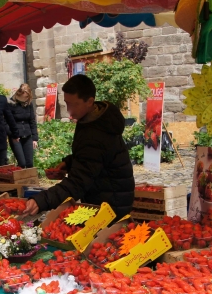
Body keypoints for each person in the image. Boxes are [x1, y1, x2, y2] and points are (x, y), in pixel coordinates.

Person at [23, 75, 134, 218]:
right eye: (66, 103)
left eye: (73, 104)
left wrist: (42, 200)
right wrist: (69, 163)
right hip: (107, 194)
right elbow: (93, 157)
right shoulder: (94, 119)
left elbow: (78, 182)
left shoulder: (97, 133)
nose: (69, 110)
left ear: (90, 102)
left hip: (111, 202)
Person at [9, 84, 38, 168]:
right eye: (23, 97)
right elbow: (7, 122)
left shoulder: (29, 104)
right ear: (19, 94)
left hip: (27, 135)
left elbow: (32, 121)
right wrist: (12, 134)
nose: (25, 99)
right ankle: (19, 179)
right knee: (22, 163)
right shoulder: (11, 104)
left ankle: (28, 180)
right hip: (16, 136)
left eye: (26, 97)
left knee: (29, 163)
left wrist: (35, 138)